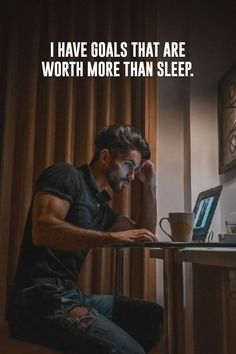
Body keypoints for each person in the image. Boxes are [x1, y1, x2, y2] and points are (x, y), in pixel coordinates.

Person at [8, 124, 164, 354]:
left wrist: (150, 185)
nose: (131, 176)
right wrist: (109, 237)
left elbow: (144, 234)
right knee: (131, 351)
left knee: (151, 316)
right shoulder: (65, 175)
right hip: (36, 300)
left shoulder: (101, 206)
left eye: (135, 169)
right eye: (128, 165)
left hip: (71, 295)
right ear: (104, 157)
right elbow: (43, 230)